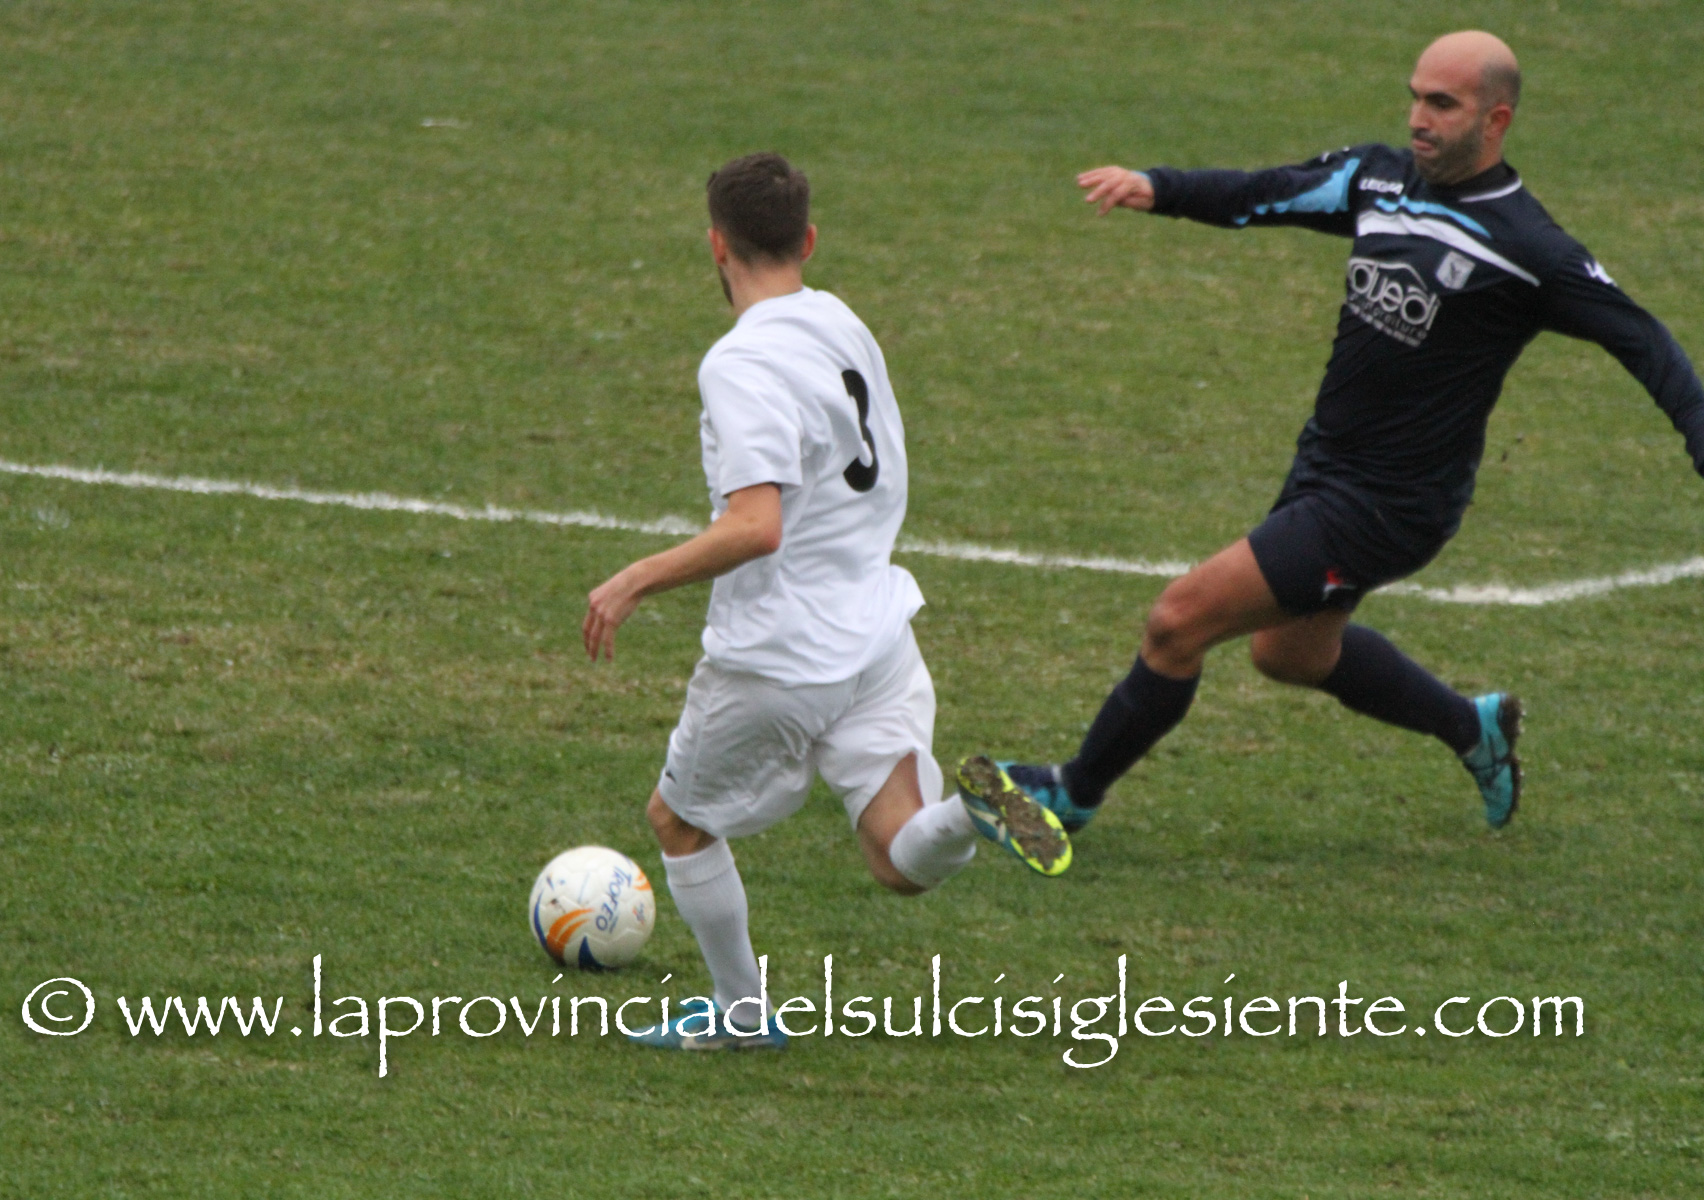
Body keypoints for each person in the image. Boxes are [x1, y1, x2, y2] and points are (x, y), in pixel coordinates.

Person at [959, 31, 1704, 838]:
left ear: (1496, 120)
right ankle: (1472, 727)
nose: (1418, 118)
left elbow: (1644, 341)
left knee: (1178, 620)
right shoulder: (1378, 179)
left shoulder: (1532, 251)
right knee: (1290, 655)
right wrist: (1159, 186)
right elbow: (1267, 191)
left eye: (1442, 104)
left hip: (1389, 504)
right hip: (1326, 465)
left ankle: (1067, 797)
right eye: (1415, 97)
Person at [584, 153, 1069, 1052]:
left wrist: (635, 577)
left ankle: (740, 1017)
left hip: (779, 654)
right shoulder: (843, 322)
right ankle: (971, 809)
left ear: (716, 246)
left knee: (678, 821)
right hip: (876, 636)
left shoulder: (739, 363)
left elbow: (756, 525)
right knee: (899, 856)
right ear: (807, 240)